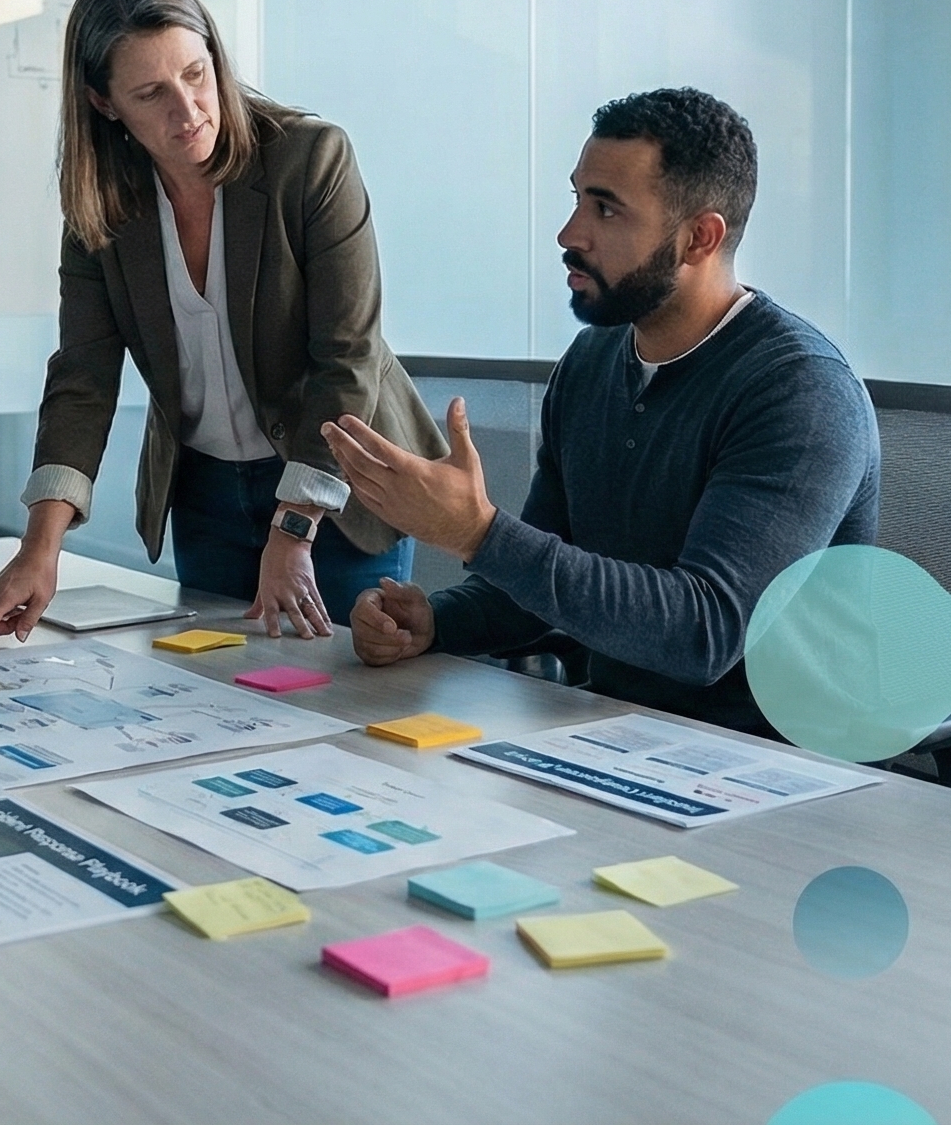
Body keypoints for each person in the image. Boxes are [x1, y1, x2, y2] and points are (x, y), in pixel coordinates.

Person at [323, 87, 879, 737]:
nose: (570, 234)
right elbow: (539, 589)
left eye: (606, 209)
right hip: (616, 731)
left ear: (699, 238)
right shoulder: (591, 363)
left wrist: (479, 534)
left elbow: (704, 634)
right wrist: (435, 622)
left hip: (781, 761)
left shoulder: (801, 392)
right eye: (577, 198)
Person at [0, 0, 440, 650]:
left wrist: (293, 526)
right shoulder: (101, 206)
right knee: (218, 692)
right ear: (104, 103)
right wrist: (40, 548)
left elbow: (348, 357)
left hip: (339, 488)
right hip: (206, 496)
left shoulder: (310, 160)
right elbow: (83, 378)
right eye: (151, 93)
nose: (187, 111)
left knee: (349, 688)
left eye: (195, 74)